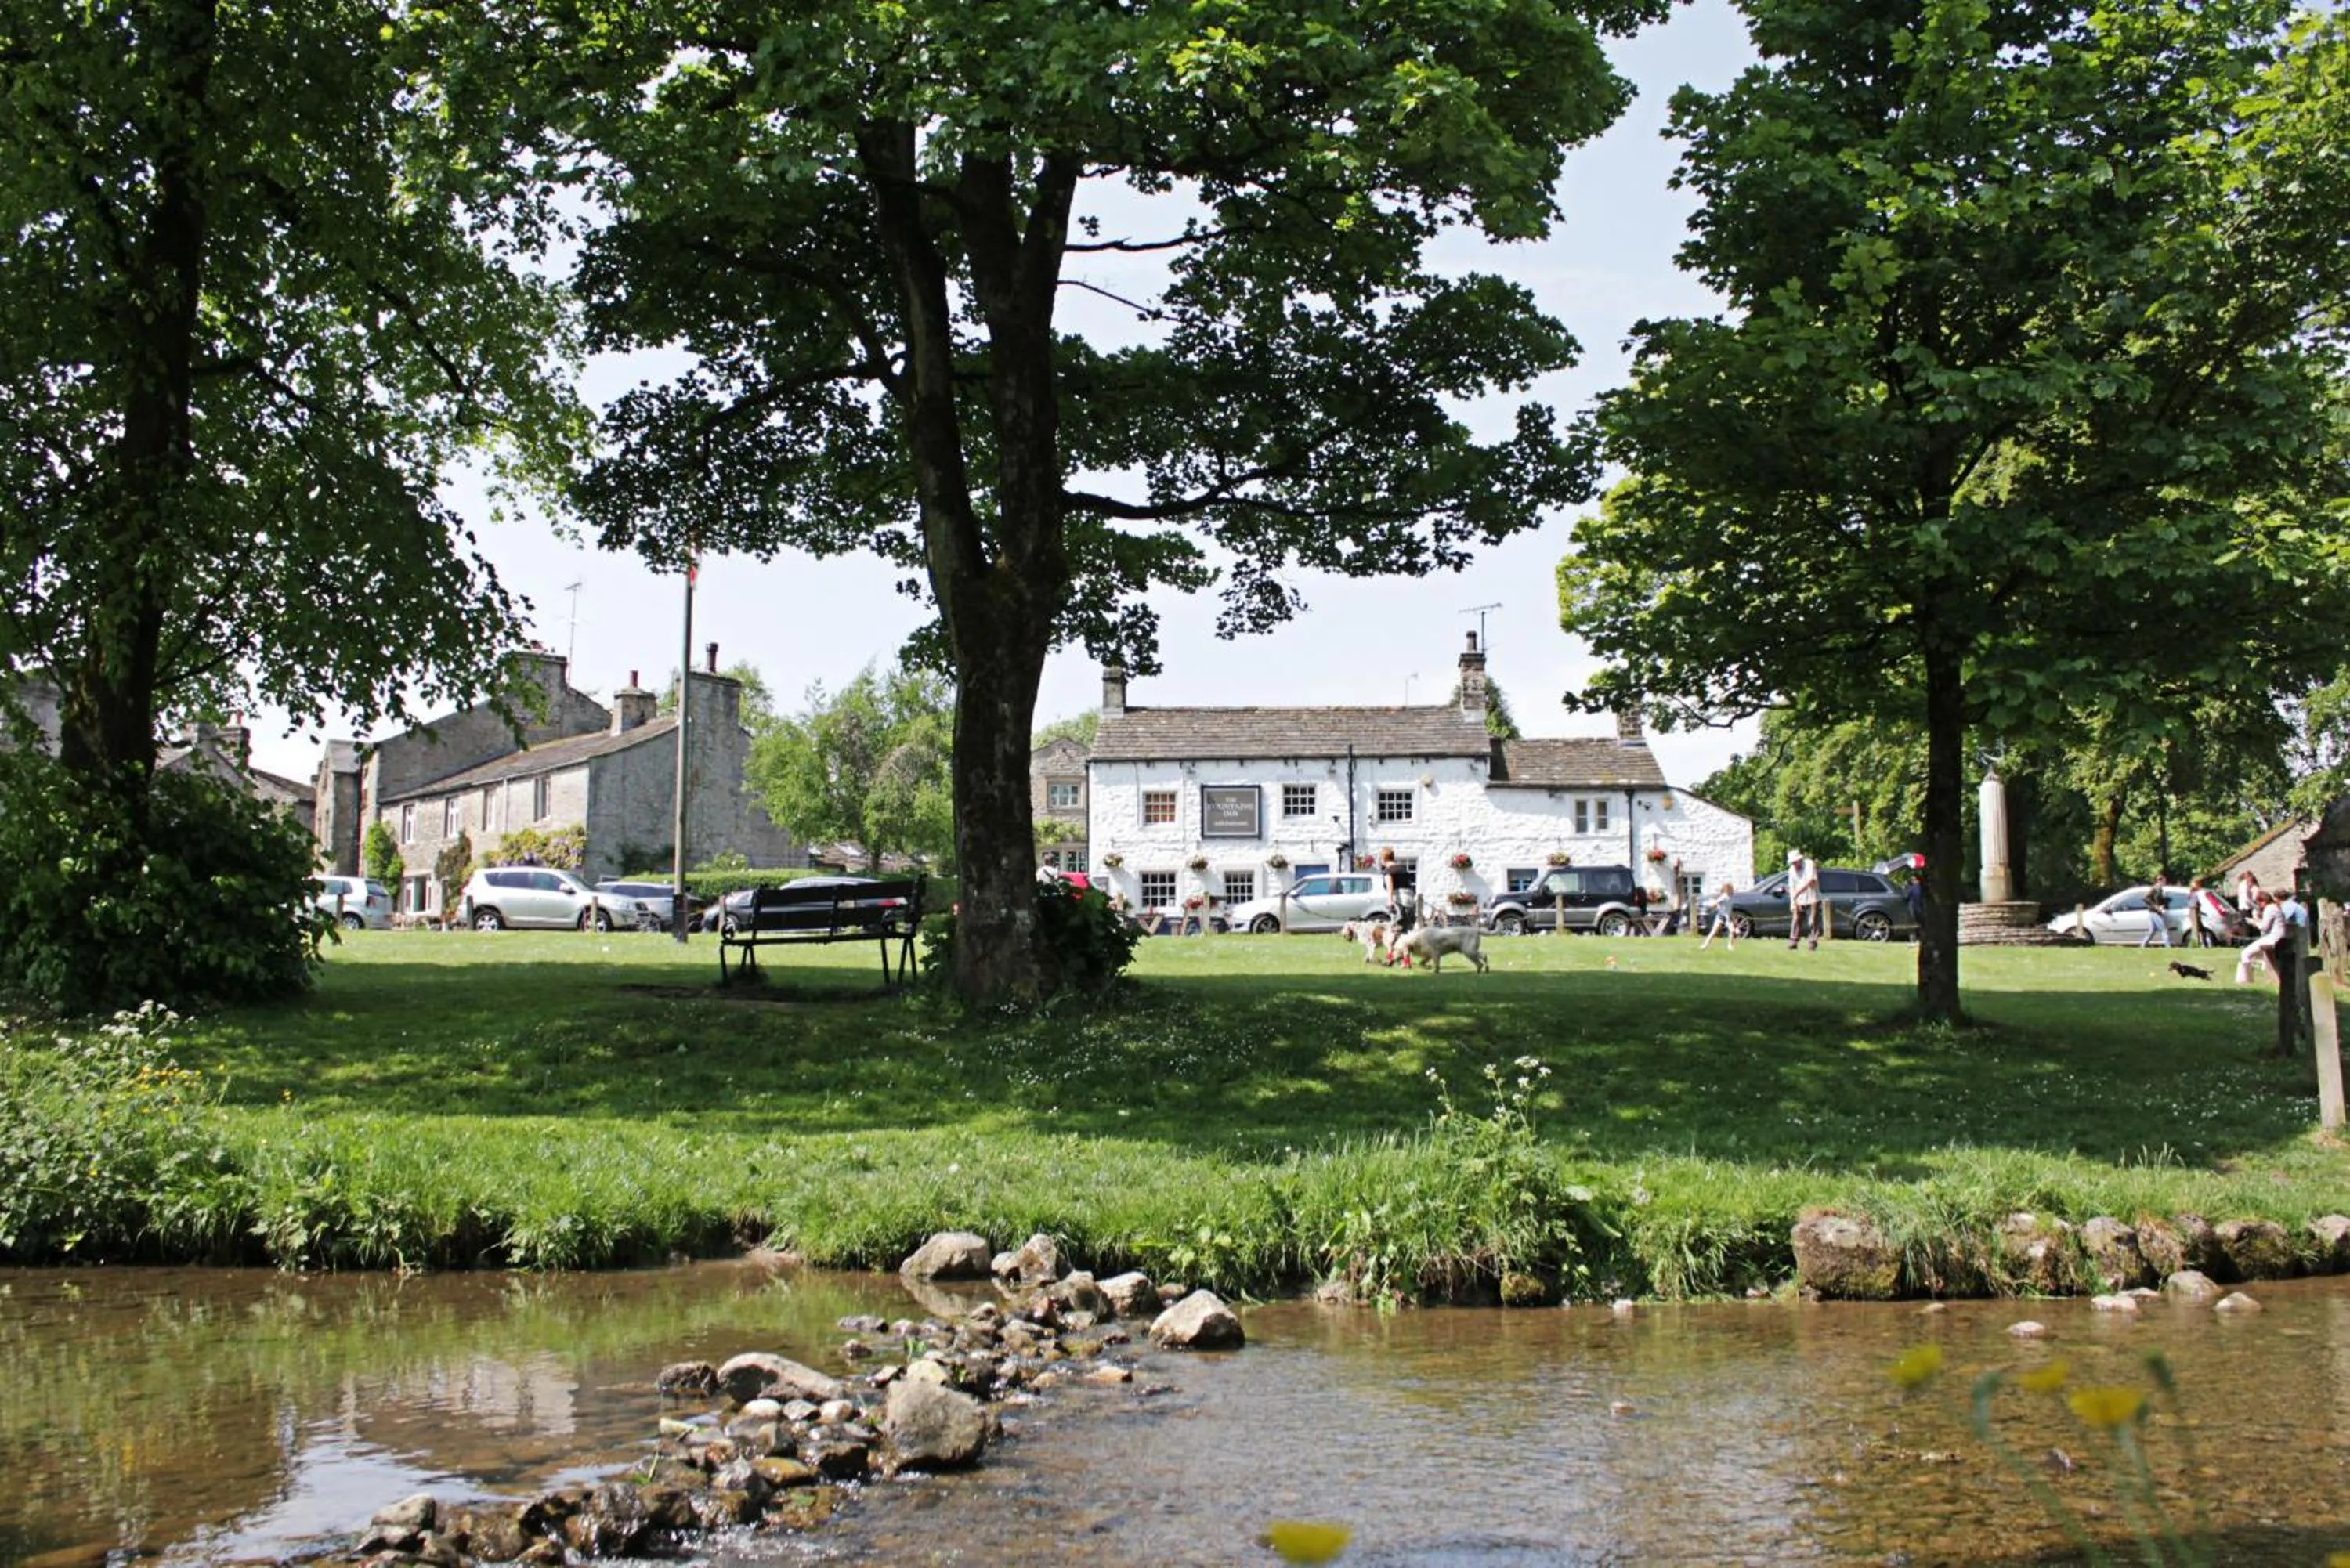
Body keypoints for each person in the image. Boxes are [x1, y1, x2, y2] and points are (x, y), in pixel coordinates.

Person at [2237, 889, 2286, 985]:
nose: (2259, 905)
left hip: (2272, 939)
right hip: (2279, 937)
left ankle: (2245, 979)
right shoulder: (2276, 907)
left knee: (2245, 953)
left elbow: (2264, 928)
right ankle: (2266, 973)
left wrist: (2254, 922)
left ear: (2263, 901)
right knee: (2260, 957)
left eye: (2259, 903)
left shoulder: (2269, 909)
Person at [1787, 849, 1823, 950]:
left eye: (1795, 862)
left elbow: (1811, 880)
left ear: (1799, 859)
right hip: (1799, 900)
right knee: (1796, 921)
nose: (1794, 864)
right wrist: (1793, 903)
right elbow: (1792, 887)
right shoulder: (1791, 870)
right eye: (1792, 862)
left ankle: (1812, 942)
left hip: (1812, 898)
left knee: (1812, 922)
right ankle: (1793, 941)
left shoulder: (1809, 864)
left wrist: (1798, 892)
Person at [1377, 846, 1418, 934]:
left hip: (1399, 901)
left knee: (1398, 929)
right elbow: (1409, 885)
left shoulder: (1388, 871)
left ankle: (1399, 947)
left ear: (1384, 859)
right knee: (1409, 928)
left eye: (1380, 858)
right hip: (1410, 900)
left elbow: (1390, 887)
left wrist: (1390, 902)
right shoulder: (1403, 869)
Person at [1700, 880, 1738, 950]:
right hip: (1721, 916)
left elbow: (1730, 909)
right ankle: (1705, 945)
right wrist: (1712, 905)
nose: (1729, 889)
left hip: (1727, 917)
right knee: (1714, 932)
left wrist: (1733, 918)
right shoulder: (1723, 896)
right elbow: (1715, 904)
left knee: (1732, 931)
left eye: (1729, 888)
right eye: (1727, 888)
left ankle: (1730, 946)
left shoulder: (1731, 897)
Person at [2138, 871, 2172, 949]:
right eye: (2163, 881)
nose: (2164, 882)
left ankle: (2142, 946)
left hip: (2156, 912)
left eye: (2164, 881)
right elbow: (2146, 898)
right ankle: (2168, 947)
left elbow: (2161, 900)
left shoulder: (2161, 890)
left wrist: (2164, 902)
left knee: (2152, 931)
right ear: (2159, 881)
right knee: (2164, 930)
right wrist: (2156, 907)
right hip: (2154, 912)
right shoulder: (2154, 889)